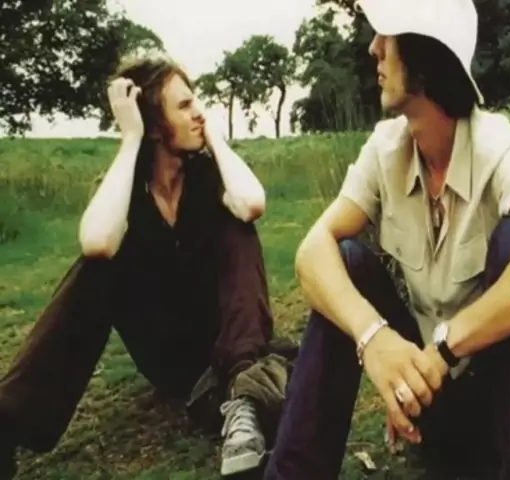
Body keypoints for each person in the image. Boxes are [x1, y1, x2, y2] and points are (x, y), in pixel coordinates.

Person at [263, 0, 510, 478]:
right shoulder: (386, 148)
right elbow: (313, 251)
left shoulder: (495, 145)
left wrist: (446, 349)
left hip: (496, 403)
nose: (374, 49)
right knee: (345, 260)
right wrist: (375, 340)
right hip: (427, 396)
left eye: (387, 37)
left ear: (424, 56)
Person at [0, 53, 292, 478]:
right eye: (185, 106)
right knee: (98, 265)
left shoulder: (207, 177)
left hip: (225, 347)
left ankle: (244, 397)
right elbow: (97, 243)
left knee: (238, 226)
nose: (199, 113)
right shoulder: (126, 190)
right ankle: (7, 422)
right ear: (155, 126)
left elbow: (251, 204)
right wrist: (130, 138)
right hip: (166, 353)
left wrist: (216, 140)